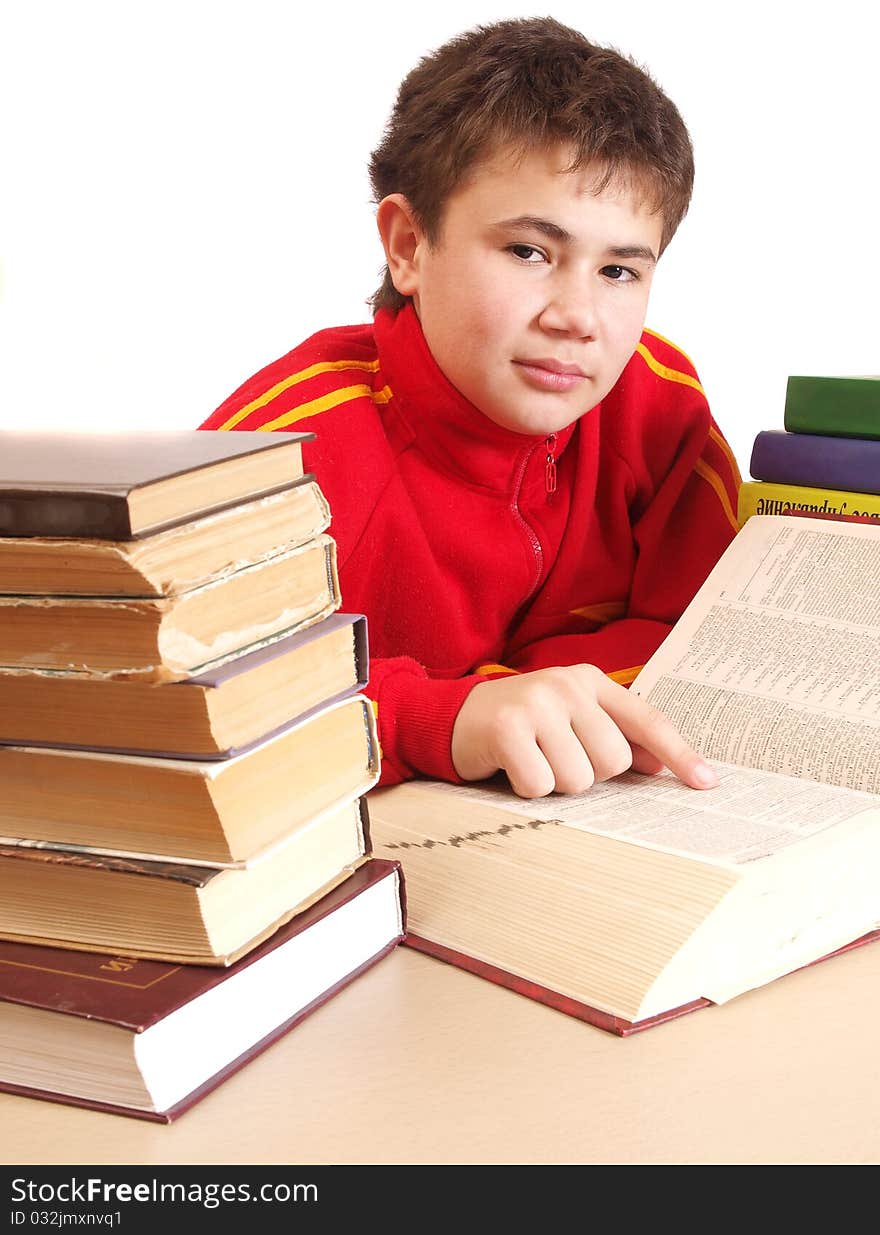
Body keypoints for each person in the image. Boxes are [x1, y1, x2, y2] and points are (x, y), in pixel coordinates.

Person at [199, 16, 741, 799]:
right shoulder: (280, 450)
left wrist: (517, 687)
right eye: (530, 252)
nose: (578, 316)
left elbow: (706, 641)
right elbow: (177, 699)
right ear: (409, 246)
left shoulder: (660, 406)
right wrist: (445, 713)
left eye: (620, 270)